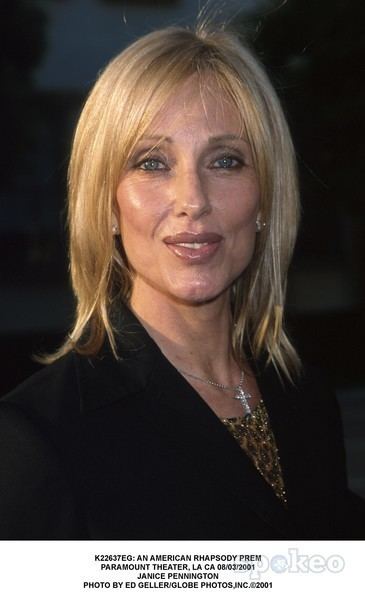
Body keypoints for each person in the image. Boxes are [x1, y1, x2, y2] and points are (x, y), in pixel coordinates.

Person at [0, 24, 364, 541]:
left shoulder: (304, 395)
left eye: (225, 161)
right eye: (152, 163)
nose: (192, 198)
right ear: (106, 204)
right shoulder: (37, 439)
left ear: (265, 199)